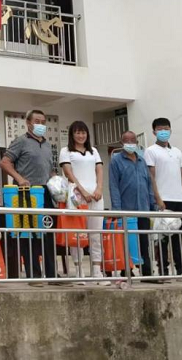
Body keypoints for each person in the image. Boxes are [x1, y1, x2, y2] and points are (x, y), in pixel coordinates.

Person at [0, 109, 63, 285]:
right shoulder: (21, 141)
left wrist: (57, 184)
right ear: (28, 123)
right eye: (37, 121)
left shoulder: (48, 145)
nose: (40, 125)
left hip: (46, 192)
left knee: (48, 233)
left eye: (43, 122)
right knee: (30, 235)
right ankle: (33, 274)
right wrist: (19, 179)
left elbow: (50, 169)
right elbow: (5, 162)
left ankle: (52, 274)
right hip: (27, 193)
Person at [144, 118, 182, 278]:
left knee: (179, 237)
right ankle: (163, 270)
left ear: (170, 130)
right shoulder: (151, 151)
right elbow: (151, 177)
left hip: (179, 200)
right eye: (160, 129)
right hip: (163, 201)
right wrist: (158, 198)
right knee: (162, 238)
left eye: (166, 129)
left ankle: (181, 269)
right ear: (154, 132)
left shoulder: (177, 152)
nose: (163, 132)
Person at [59, 121, 105, 283]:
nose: (81, 135)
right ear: (72, 134)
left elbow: (99, 170)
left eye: (83, 132)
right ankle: (79, 271)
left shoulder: (94, 151)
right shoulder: (66, 151)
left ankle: (97, 271)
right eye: (77, 132)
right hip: (76, 197)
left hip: (95, 196)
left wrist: (99, 188)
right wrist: (82, 191)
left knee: (96, 233)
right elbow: (68, 173)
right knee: (77, 234)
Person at [108, 130, 155, 279]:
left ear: (137, 142)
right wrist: (117, 209)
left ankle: (147, 272)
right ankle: (127, 270)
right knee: (128, 242)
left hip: (143, 208)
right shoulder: (116, 161)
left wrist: (152, 203)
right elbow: (114, 186)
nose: (130, 143)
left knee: (144, 241)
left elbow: (149, 183)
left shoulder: (142, 160)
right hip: (126, 210)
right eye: (126, 141)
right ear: (121, 143)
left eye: (132, 140)